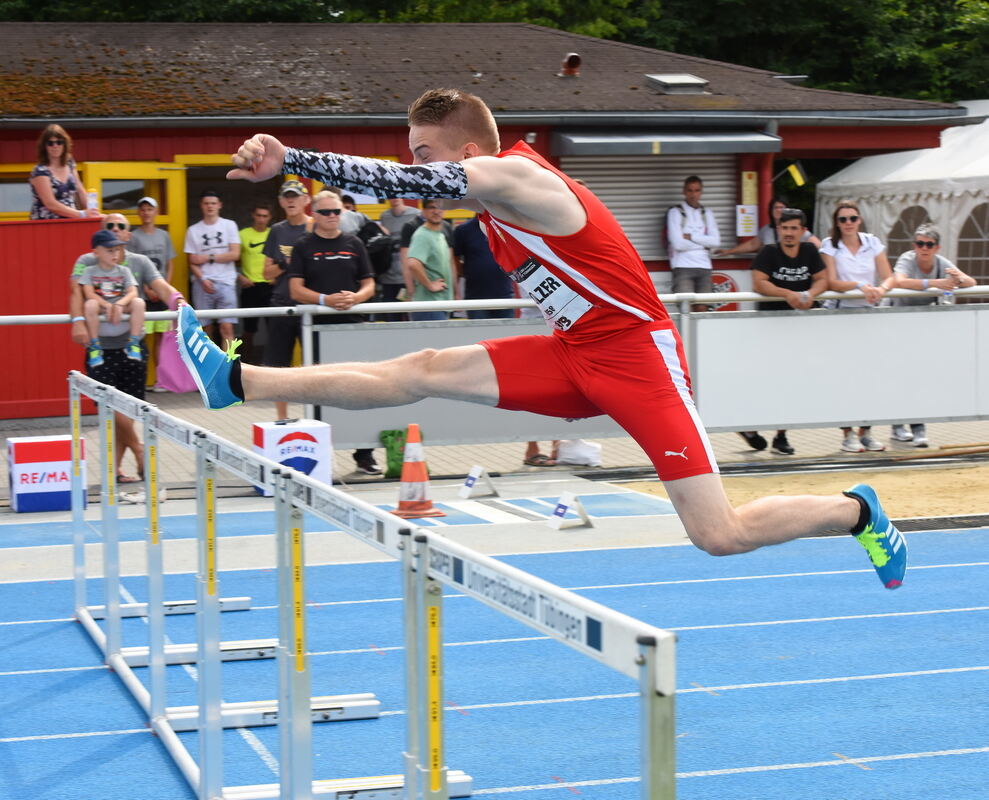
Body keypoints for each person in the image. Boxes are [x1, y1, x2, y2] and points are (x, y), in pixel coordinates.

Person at [177, 88, 907, 591]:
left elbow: (403, 181)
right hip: (570, 353)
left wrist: (294, 162)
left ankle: (857, 510)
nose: (420, 166)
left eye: (427, 152)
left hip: (636, 359)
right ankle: (235, 382)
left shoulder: (520, 177)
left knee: (716, 534)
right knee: (423, 367)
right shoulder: (484, 202)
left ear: (467, 150)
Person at [70, 218, 186, 480]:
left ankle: (115, 470)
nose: (116, 230)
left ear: (128, 234)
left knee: (129, 407)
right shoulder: (86, 261)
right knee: (110, 406)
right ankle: (138, 449)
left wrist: (178, 300)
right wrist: (78, 322)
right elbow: (76, 292)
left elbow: (160, 286)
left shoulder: (138, 262)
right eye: (109, 225)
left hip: (131, 344)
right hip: (101, 346)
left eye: (121, 227)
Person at [286, 190, 381, 475]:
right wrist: (323, 300)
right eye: (325, 212)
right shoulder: (303, 246)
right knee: (320, 390)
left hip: (354, 326)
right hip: (318, 327)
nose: (331, 217)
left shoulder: (354, 243)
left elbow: (369, 284)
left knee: (364, 389)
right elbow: (295, 289)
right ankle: (317, 453)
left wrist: (356, 298)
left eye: (336, 212)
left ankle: (365, 455)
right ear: (314, 214)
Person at [737, 208, 829, 456]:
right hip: (769, 327)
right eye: (784, 228)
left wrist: (811, 294)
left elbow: (822, 279)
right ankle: (748, 425)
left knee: (792, 382)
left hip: (799, 329)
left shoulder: (810, 251)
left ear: (802, 230)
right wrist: (788, 293)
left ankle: (780, 435)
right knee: (765, 381)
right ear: (778, 230)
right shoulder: (769, 252)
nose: (789, 233)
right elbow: (759, 282)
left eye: (793, 228)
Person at [888, 223, 976, 448]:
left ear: (937, 247)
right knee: (902, 377)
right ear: (914, 245)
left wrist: (958, 278)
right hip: (898, 325)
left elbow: (970, 282)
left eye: (929, 244)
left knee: (919, 378)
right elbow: (899, 281)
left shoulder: (941, 263)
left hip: (924, 329)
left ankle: (911, 425)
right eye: (919, 243)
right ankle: (905, 426)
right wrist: (935, 284)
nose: (923, 248)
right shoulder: (908, 258)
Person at [820, 201, 896, 454]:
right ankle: (847, 433)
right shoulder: (830, 244)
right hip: (841, 314)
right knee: (844, 376)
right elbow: (831, 281)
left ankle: (867, 431)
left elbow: (888, 275)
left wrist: (881, 289)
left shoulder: (872, 242)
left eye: (852, 218)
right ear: (837, 223)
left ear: (859, 219)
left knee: (871, 375)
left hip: (869, 313)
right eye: (843, 220)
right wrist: (860, 286)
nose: (848, 223)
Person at [262, 179, 312, 420]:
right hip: (282, 304)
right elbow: (266, 273)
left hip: (312, 306)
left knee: (316, 365)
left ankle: (316, 416)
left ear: (306, 200)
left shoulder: (314, 227)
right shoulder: (277, 231)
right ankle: (282, 419)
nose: (291, 201)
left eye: (295, 196)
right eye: (287, 197)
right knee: (278, 367)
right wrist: (286, 264)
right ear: (281, 202)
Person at [77, 230, 147, 368]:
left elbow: (133, 292)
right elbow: (89, 293)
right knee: (90, 304)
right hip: (101, 307)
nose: (115, 254)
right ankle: (95, 345)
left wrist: (120, 304)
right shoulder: (89, 271)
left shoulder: (124, 270)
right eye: (110, 250)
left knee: (139, 302)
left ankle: (133, 341)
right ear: (96, 252)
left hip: (121, 306)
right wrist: (106, 305)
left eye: (117, 250)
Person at [128, 197, 177, 391]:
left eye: (150, 209)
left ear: (155, 212)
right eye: (143, 209)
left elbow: (169, 264)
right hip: (143, 296)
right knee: (141, 337)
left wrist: (164, 287)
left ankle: (161, 380)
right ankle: (141, 378)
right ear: (139, 213)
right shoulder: (134, 237)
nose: (146, 213)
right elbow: (132, 266)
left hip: (161, 296)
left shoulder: (164, 236)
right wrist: (148, 288)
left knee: (161, 339)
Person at [184, 189, 241, 346]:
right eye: (207, 203)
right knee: (205, 330)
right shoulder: (193, 230)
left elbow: (235, 254)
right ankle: (209, 368)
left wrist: (207, 257)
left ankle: (230, 367)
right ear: (201, 206)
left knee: (227, 328)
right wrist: (202, 279)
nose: (210, 206)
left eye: (213, 203)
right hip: (202, 284)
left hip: (226, 282)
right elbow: (192, 261)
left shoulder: (229, 225)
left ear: (219, 205)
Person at [667, 175, 720, 311]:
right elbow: (678, 244)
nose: (693, 194)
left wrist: (690, 237)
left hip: (705, 266)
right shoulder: (675, 212)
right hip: (682, 266)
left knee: (703, 309)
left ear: (701, 192)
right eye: (690, 190)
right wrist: (703, 243)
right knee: (685, 309)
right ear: (684, 191)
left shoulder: (707, 213)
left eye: (697, 190)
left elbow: (716, 241)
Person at [29, 124, 101, 220]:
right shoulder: (40, 171)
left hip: (70, 221)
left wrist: (93, 212)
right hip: (46, 224)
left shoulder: (70, 164)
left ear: (65, 144)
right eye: (50, 143)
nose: (55, 146)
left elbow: (80, 190)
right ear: (44, 146)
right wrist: (82, 214)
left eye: (59, 142)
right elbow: (50, 203)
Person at [453, 213, 515, 319]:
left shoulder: (504, 227)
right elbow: (454, 261)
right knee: (480, 334)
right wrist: (456, 293)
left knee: (506, 334)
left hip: (504, 296)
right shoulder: (463, 230)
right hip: (476, 299)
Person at [715, 196, 821, 257]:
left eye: (782, 207)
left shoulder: (796, 229)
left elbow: (819, 246)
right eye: (776, 207)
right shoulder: (766, 230)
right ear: (771, 210)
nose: (779, 210)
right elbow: (752, 244)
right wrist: (728, 251)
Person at [405, 199, 455, 321]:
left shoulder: (440, 234)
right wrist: (430, 285)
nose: (436, 211)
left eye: (440, 208)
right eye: (431, 207)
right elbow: (413, 264)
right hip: (429, 306)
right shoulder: (422, 235)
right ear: (424, 211)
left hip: (440, 304)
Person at [238, 202, 273, 361]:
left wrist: (277, 278)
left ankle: (273, 363)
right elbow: (231, 259)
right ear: (253, 215)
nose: (261, 219)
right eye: (258, 215)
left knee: (274, 328)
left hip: (270, 286)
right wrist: (239, 277)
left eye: (264, 216)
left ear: (269, 217)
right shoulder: (243, 234)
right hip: (250, 286)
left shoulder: (275, 233)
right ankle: (247, 363)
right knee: (248, 330)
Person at [376, 197, 421, 320]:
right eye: (390, 195)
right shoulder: (384, 217)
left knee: (408, 316)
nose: (394, 197)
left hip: (407, 279)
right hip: (388, 278)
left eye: (396, 194)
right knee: (391, 317)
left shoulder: (415, 214)